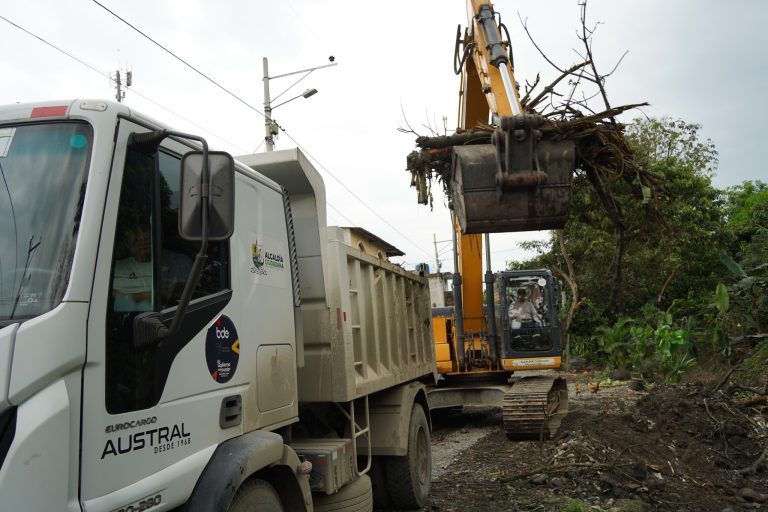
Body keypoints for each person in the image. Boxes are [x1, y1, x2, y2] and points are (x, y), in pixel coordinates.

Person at [112, 226, 153, 312]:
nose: (142, 238)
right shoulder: (114, 268)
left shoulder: (176, 262)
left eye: (146, 241)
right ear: (127, 244)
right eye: (137, 241)